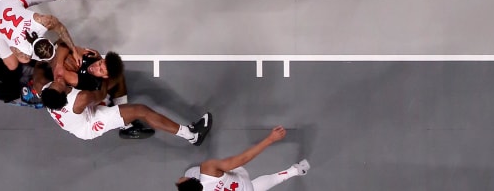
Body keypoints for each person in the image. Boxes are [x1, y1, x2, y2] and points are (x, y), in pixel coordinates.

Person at [40, 79, 212, 144]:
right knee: (141, 110)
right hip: (89, 124)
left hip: (79, 114)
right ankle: (191, 135)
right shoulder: (81, 99)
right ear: (63, 93)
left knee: (117, 77)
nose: (58, 80)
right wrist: (102, 73)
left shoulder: (46, 91)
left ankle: (126, 123)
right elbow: (100, 93)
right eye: (59, 84)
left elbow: (40, 74)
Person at [175, 126, 310, 191]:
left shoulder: (197, 176)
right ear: (192, 181)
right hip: (239, 178)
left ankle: (294, 171)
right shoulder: (208, 169)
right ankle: (294, 171)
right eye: (182, 180)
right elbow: (243, 158)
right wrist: (270, 139)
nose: (179, 179)